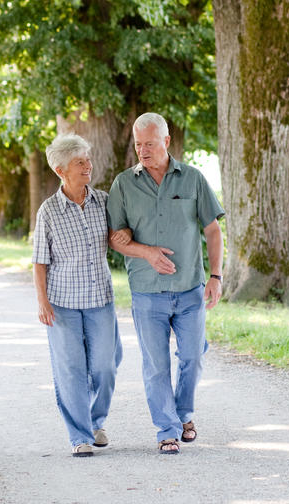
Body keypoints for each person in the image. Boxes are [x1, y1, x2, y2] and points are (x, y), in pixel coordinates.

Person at [107, 112, 224, 455]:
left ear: (166, 142)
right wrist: (146, 252)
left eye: (149, 144)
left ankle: (183, 413)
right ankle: (167, 430)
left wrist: (216, 276)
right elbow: (116, 237)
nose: (142, 150)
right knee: (156, 365)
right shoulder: (124, 184)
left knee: (193, 357)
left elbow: (213, 230)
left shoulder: (192, 179)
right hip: (147, 292)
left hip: (190, 288)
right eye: (138, 144)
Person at [32, 134, 123, 458]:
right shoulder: (49, 212)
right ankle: (79, 436)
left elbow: (120, 236)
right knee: (70, 369)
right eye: (79, 162)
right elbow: (40, 261)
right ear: (61, 170)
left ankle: (96, 422)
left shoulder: (103, 201)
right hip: (63, 304)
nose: (88, 166)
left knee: (105, 367)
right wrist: (42, 301)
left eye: (87, 160)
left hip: (99, 299)